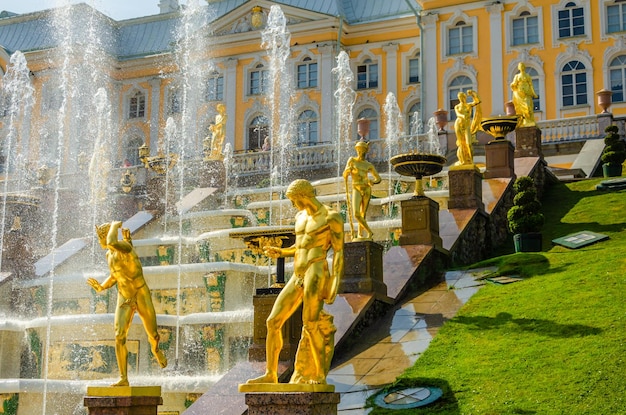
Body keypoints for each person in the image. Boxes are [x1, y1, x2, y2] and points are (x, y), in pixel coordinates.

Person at [246, 179, 344, 385]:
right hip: (297, 273)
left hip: (316, 271)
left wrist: (334, 284)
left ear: (303, 196)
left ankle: (318, 375)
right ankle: (271, 373)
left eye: (293, 200)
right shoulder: (300, 217)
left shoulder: (331, 217)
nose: (293, 205)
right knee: (273, 321)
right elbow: (301, 247)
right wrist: (281, 252)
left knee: (311, 324)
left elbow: (339, 252)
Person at [88, 221, 167, 386]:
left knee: (153, 334)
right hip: (124, 297)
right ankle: (124, 378)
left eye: (100, 237)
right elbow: (115, 276)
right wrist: (101, 286)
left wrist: (114, 226)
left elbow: (112, 242)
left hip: (140, 294)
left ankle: (156, 350)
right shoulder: (108, 255)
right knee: (119, 335)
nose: (100, 241)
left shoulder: (125, 247)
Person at [343, 140, 381, 240]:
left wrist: (373, 181)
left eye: (363, 151)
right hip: (356, 188)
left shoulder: (368, 165)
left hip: (367, 189)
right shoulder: (352, 160)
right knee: (356, 214)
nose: (361, 153)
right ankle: (370, 231)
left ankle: (360, 234)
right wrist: (348, 170)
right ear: (356, 150)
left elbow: (378, 178)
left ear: (366, 151)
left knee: (363, 214)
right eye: (359, 151)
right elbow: (345, 175)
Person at [453, 90, 482, 166]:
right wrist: (462, 116)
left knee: (468, 143)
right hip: (458, 124)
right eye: (459, 97)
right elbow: (457, 114)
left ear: (465, 97)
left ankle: (470, 161)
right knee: (461, 143)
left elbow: (478, 101)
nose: (461, 99)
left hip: (466, 126)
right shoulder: (457, 106)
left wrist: (473, 94)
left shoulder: (468, 105)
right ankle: (462, 160)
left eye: (462, 97)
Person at [510, 62, 538, 127]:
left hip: (527, 92)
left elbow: (531, 85)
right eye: (520, 66)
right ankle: (523, 121)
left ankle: (529, 120)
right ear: (519, 68)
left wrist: (534, 93)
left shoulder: (527, 76)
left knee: (528, 106)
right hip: (520, 93)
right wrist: (512, 85)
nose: (521, 67)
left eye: (522, 66)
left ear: (524, 67)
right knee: (520, 108)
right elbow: (514, 84)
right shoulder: (516, 76)